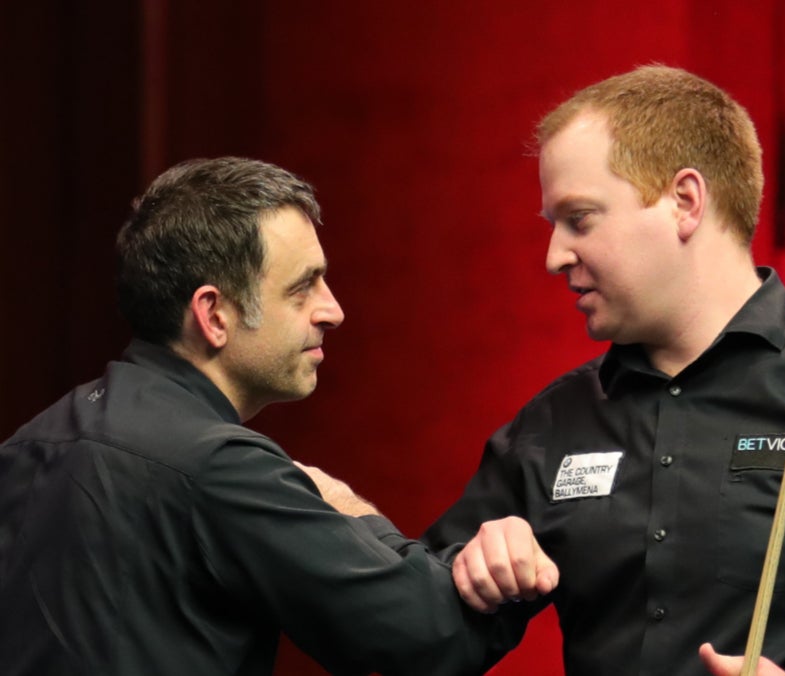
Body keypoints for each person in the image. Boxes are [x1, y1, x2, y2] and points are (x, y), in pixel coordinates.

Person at [422, 65, 785, 675]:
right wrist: (469, 561)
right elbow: (424, 636)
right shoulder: (551, 425)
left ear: (684, 202)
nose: (553, 256)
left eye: (580, 218)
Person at [0, 157, 556, 676]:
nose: (332, 311)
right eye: (302, 287)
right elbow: (425, 634)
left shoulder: (27, 443)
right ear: (214, 314)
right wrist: (346, 507)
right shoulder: (218, 466)